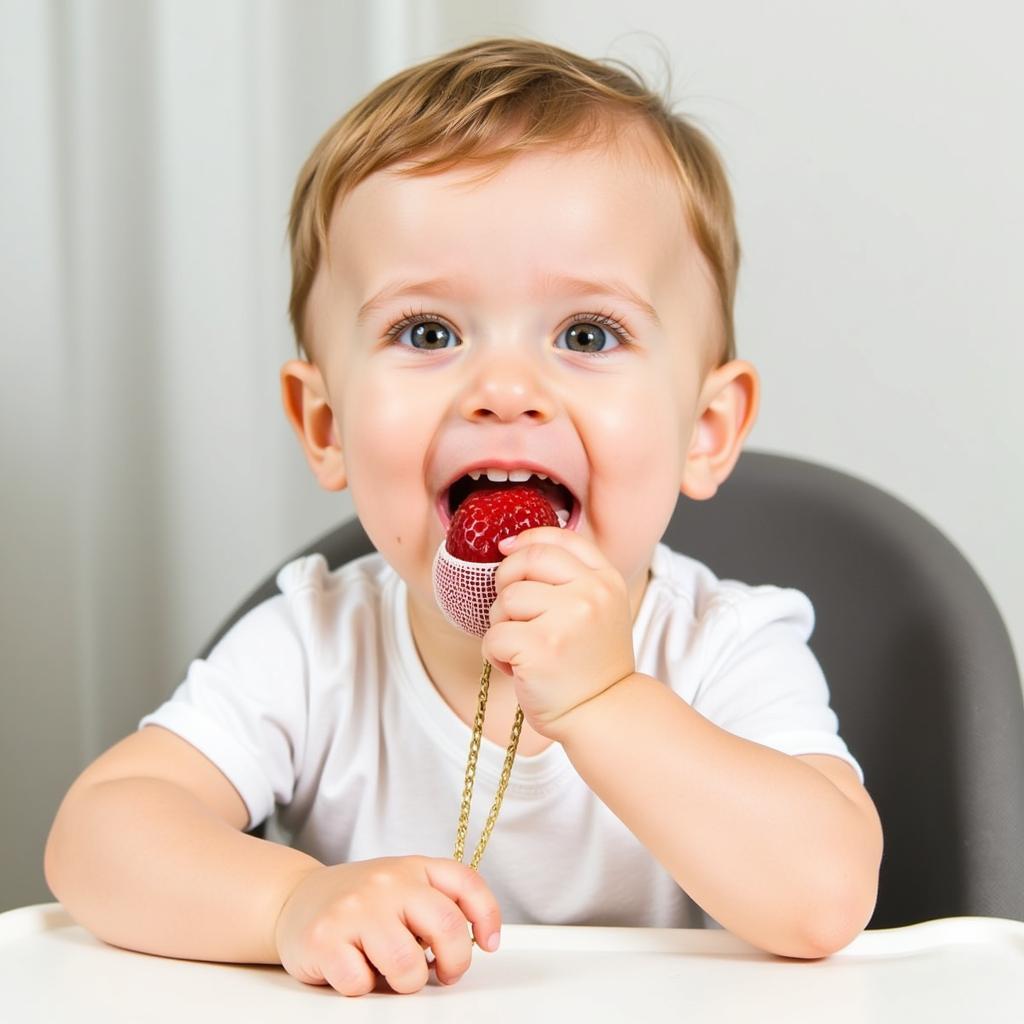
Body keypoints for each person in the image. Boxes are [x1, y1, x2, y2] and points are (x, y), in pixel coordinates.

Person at [45, 35, 883, 997]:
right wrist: (287, 906)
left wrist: (605, 699)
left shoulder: (719, 648)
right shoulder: (320, 646)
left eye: (586, 333)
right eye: (428, 332)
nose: (504, 388)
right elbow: (98, 835)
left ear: (705, 428)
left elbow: (825, 895)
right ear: (326, 425)